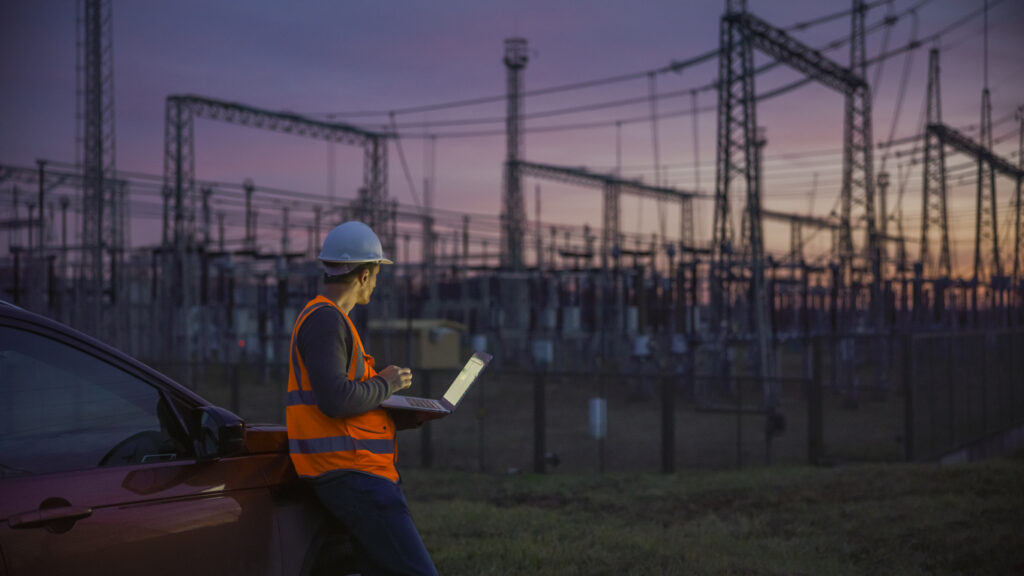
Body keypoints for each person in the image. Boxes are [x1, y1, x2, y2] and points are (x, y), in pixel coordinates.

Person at [286, 220, 437, 576]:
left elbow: (349, 402)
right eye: (377, 274)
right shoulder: (327, 321)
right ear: (365, 275)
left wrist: (401, 414)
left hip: (357, 473)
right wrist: (387, 383)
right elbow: (336, 399)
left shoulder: (331, 320)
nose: (376, 283)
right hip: (353, 475)